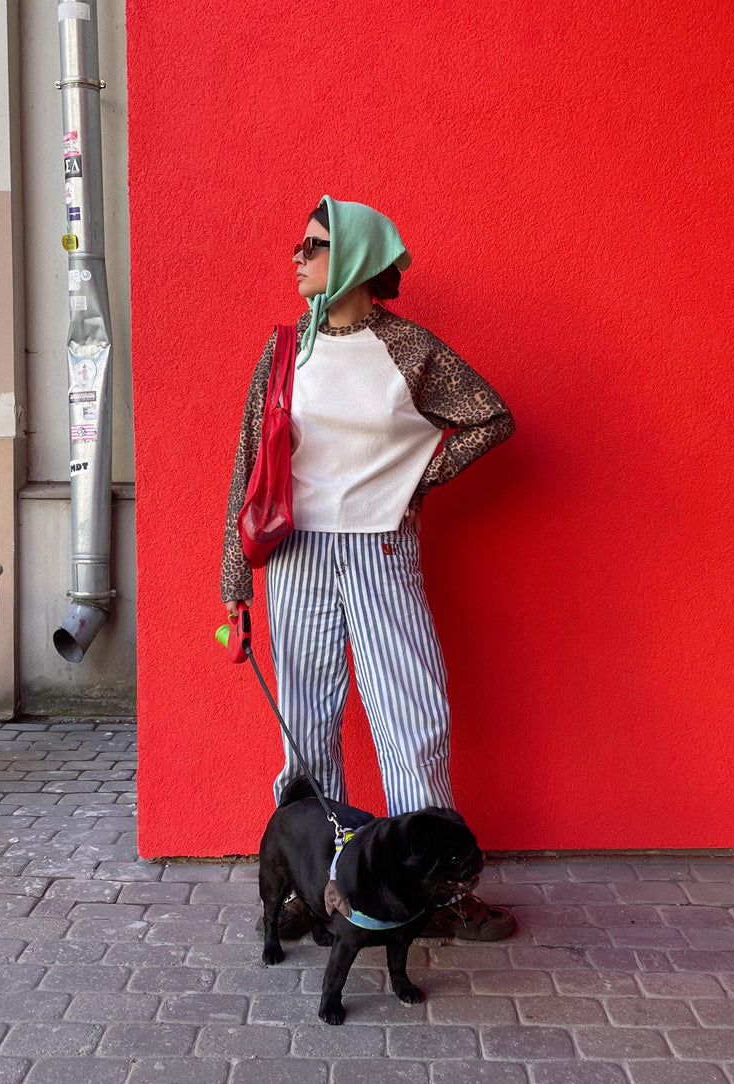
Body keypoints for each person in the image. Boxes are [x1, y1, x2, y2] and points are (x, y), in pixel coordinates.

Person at [222, 196, 516, 940]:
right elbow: (251, 465)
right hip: (296, 554)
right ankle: (313, 888)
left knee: (412, 718)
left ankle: (437, 891)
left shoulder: (409, 350)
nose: (296, 255)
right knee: (307, 728)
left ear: (352, 258)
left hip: (381, 548)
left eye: (313, 244)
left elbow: (489, 415)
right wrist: (234, 581)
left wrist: (417, 479)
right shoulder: (287, 350)